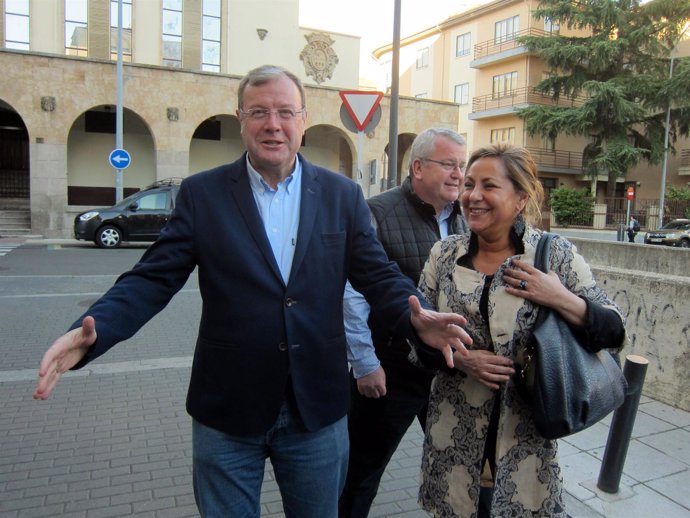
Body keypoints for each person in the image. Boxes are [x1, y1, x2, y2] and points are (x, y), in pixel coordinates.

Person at [32, 65, 473, 518]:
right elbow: (153, 277)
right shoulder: (203, 195)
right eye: (259, 111)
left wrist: (414, 316)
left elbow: (377, 275)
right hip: (226, 410)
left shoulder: (342, 195)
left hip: (315, 410)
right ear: (240, 118)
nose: (273, 124)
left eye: (285, 111)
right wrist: (96, 331)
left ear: (303, 119)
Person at [411, 144, 627, 518]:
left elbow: (614, 331)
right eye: (469, 184)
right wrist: (461, 359)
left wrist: (559, 297)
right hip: (453, 439)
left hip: (526, 443)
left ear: (521, 199)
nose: (473, 196)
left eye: (489, 186)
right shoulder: (443, 255)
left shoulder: (553, 254)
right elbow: (417, 341)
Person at [339, 128, 469, 518]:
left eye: (462, 166)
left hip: (448, 372)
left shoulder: (466, 218)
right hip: (389, 373)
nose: (458, 175)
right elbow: (352, 295)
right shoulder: (377, 212)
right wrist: (364, 363)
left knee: (459, 467)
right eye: (448, 164)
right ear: (417, 167)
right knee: (360, 475)